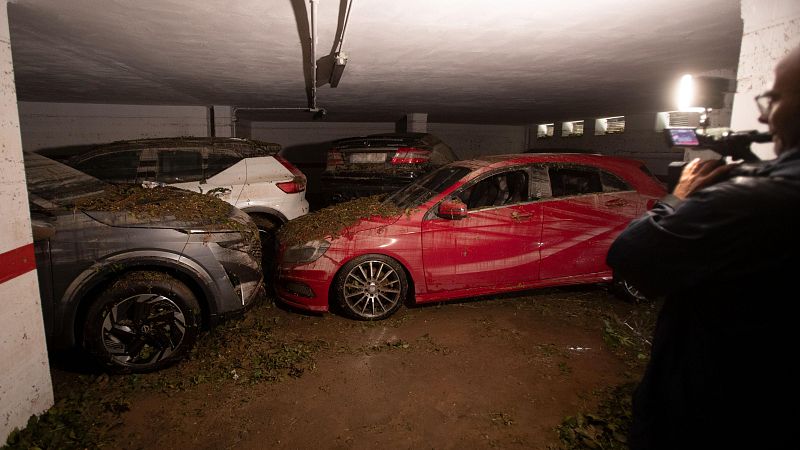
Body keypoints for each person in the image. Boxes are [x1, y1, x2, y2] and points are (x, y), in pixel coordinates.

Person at [607, 46, 800, 449]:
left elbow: (630, 255)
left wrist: (677, 198)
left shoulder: (755, 200)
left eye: (774, 98)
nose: (762, 117)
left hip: (712, 412)